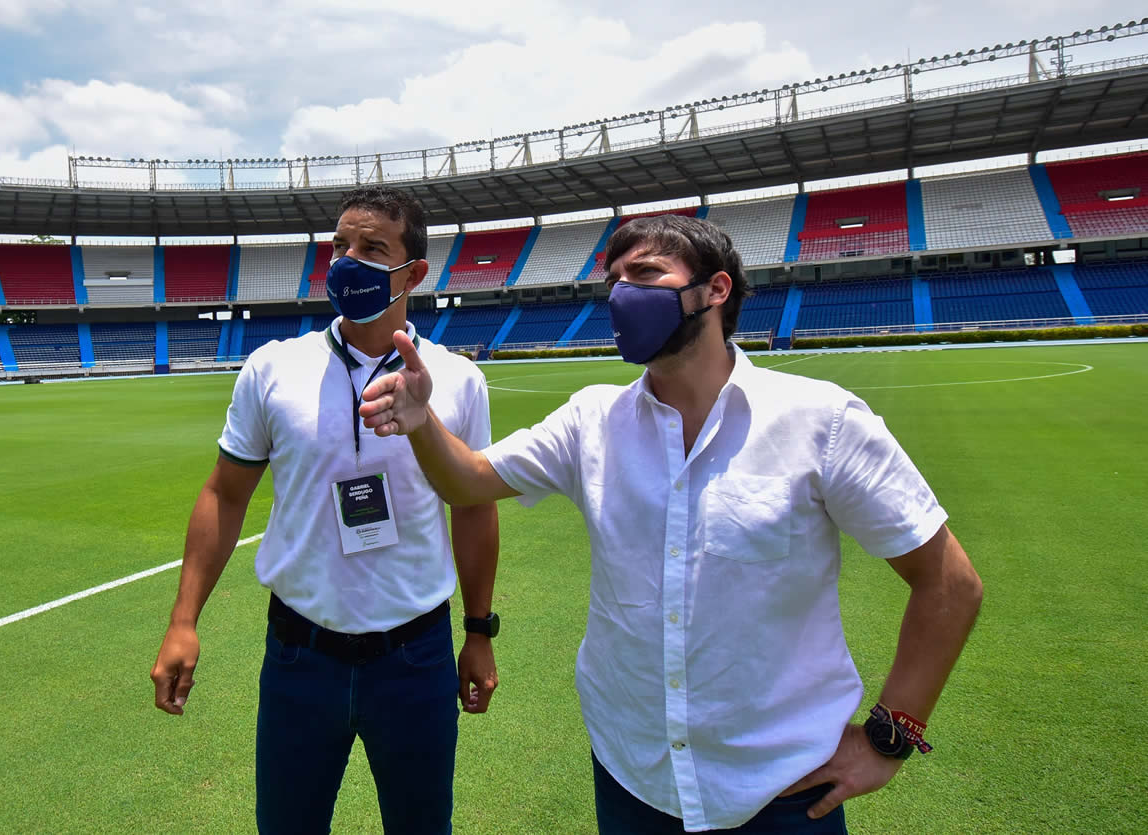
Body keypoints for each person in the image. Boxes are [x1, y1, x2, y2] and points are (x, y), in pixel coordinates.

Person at [358, 215, 984, 834]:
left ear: (716, 290)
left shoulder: (822, 421)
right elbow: (466, 480)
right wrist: (421, 422)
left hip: (784, 790)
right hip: (633, 775)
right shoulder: (590, 421)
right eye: (615, 280)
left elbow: (950, 584)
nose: (623, 292)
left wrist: (890, 736)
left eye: (646, 273)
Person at [150, 186, 501, 835]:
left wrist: (478, 631)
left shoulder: (457, 380)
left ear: (414, 273)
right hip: (299, 656)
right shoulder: (272, 370)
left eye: (372, 248)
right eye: (340, 244)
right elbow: (225, 495)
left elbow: (474, 509)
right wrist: (183, 618)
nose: (348, 260)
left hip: (415, 656)